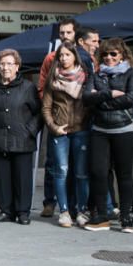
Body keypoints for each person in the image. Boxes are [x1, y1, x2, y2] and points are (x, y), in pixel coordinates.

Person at [82, 37, 133, 233]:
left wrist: (101, 101)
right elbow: (86, 98)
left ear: (122, 55)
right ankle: (101, 215)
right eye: (105, 54)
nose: (109, 57)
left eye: (113, 54)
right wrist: (109, 94)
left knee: (124, 174)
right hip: (100, 130)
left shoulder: (131, 74)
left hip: (124, 129)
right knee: (98, 172)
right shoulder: (97, 74)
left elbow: (131, 98)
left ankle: (126, 216)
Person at [0, 49, 41, 225]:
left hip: (22, 139)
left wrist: (29, 131)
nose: (5, 67)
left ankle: (23, 212)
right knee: (1, 177)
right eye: (2, 63)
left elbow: (38, 113)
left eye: (9, 64)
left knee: (22, 178)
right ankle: (5, 210)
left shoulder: (28, 87)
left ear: (17, 66)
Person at [41, 42, 90, 227]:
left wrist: (84, 122)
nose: (63, 59)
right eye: (60, 55)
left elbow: (90, 103)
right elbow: (46, 108)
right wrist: (54, 127)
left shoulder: (84, 78)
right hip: (60, 131)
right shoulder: (52, 79)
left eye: (67, 55)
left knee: (81, 173)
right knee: (60, 171)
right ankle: (64, 211)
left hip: (80, 130)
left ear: (74, 56)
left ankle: (81, 210)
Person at [36, 19, 77, 218]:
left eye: (68, 32)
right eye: (62, 33)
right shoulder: (51, 58)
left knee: (76, 166)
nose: (65, 36)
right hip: (56, 118)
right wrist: (49, 115)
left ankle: (74, 204)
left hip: (78, 121)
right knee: (53, 163)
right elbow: (42, 87)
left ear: (75, 34)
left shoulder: (82, 58)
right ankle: (50, 202)